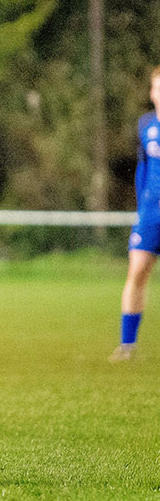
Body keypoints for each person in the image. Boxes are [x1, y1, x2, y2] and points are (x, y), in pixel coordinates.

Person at [110, 67, 160, 362]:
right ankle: (127, 345)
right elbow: (142, 168)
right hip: (151, 215)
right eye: (158, 88)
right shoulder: (145, 125)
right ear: (152, 93)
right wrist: (142, 206)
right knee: (137, 271)